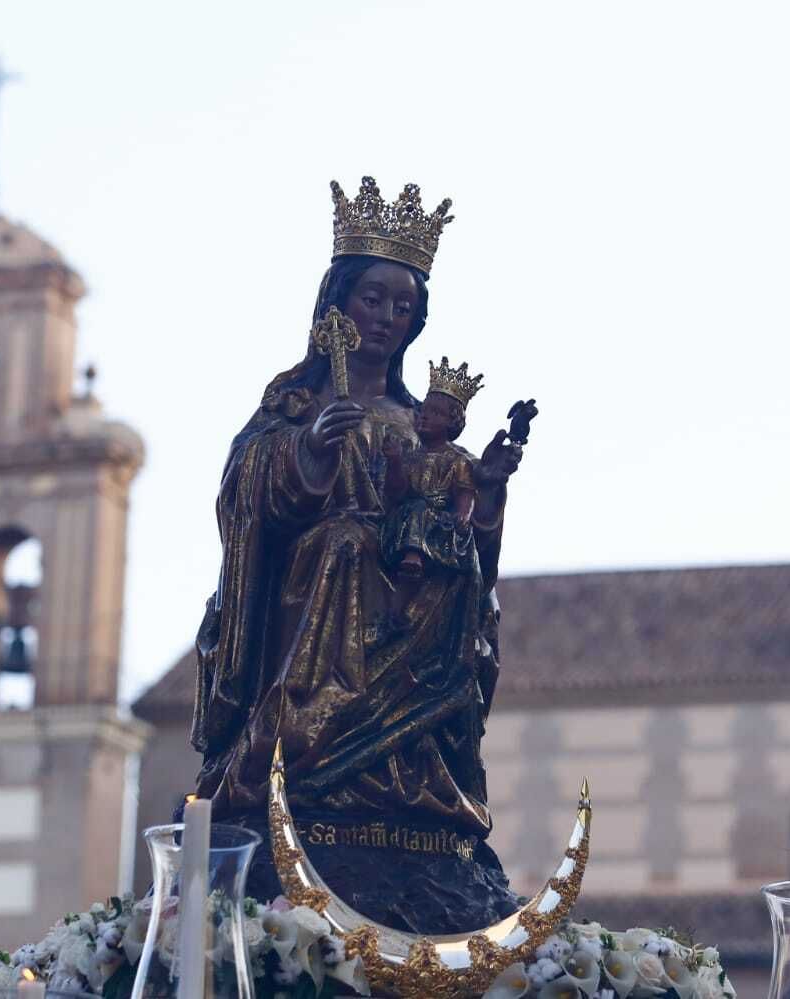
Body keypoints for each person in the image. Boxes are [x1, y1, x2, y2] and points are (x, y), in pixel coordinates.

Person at [189, 178, 531, 932]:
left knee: (457, 572)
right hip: (318, 592)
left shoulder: (423, 421)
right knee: (346, 543)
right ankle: (306, 734)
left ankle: (408, 771)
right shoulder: (294, 406)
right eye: (372, 300)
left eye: (401, 306)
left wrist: (489, 496)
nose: (385, 318)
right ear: (338, 306)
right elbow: (246, 493)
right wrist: (309, 453)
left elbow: (471, 527)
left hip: (420, 610)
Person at [381, 358, 485, 601]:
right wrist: (394, 462)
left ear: (453, 421)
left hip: (442, 526)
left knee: (422, 511)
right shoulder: (409, 457)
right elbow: (396, 493)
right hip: (404, 521)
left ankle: (414, 559)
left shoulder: (459, 461)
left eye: (435, 413)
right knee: (416, 508)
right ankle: (409, 562)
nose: (425, 417)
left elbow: (465, 494)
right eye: (424, 410)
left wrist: (462, 515)